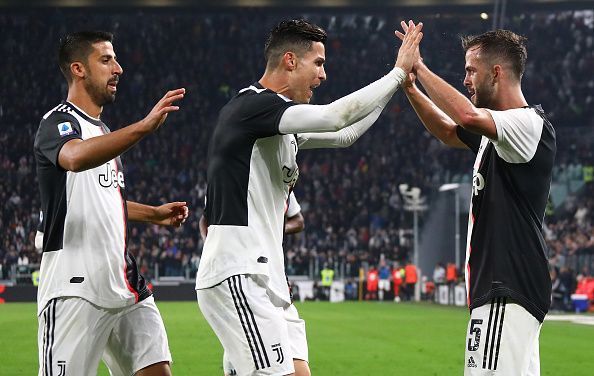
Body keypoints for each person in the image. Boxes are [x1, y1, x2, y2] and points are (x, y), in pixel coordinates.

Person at [196, 18, 423, 376]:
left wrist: (398, 86)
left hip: (269, 277)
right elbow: (335, 117)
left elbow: (346, 134)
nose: (323, 75)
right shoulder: (252, 107)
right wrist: (395, 73)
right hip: (239, 273)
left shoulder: (280, 127)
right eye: (318, 63)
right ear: (290, 60)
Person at [399, 22, 556, 375]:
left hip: (506, 284)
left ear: (496, 73)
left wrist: (420, 67)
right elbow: (447, 130)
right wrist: (410, 86)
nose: (466, 79)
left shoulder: (526, 123)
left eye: (471, 70)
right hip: (506, 286)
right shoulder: (497, 134)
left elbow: (466, 116)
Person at [34, 31, 188, 376]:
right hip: (76, 285)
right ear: (78, 69)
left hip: (124, 282)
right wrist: (144, 127)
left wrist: (153, 214)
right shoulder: (59, 122)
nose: (118, 68)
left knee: (156, 370)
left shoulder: (102, 131)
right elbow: (73, 158)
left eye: (115, 59)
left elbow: (103, 199)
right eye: (106, 59)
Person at [200, 192, 309, 376]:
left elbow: (298, 220)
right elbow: (206, 219)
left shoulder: (279, 179)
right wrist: (210, 243)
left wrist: (275, 228)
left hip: (278, 282)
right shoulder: (232, 176)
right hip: (246, 276)